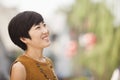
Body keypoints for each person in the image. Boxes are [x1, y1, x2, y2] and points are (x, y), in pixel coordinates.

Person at [8, 11, 58, 80]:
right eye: (38, 27)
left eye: (44, 25)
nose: (45, 31)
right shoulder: (20, 67)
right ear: (24, 39)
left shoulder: (48, 62)